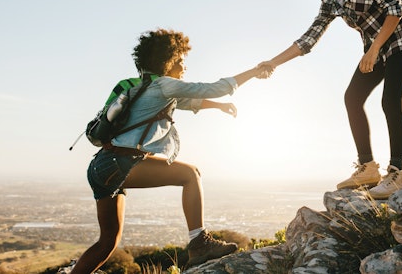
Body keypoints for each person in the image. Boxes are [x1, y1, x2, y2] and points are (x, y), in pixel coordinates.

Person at [71, 28, 270, 273]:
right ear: (169, 60)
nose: (184, 66)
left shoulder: (142, 87)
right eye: (181, 60)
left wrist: (218, 106)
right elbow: (213, 88)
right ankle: (199, 242)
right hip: (120, 164)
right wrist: (253, 72)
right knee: (190, 174)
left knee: (107, 242)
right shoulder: (165, 85)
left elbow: (191, 102)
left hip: (101, 167)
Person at [259, 0, 402, 199]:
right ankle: (368, 168)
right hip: (375, 50)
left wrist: (373, 49)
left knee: (390, 102)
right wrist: (272, 63)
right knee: (352, 98)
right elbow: (308, 40)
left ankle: (397, 173)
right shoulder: (330, 1)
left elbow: (395, 9)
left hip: (401, 39)